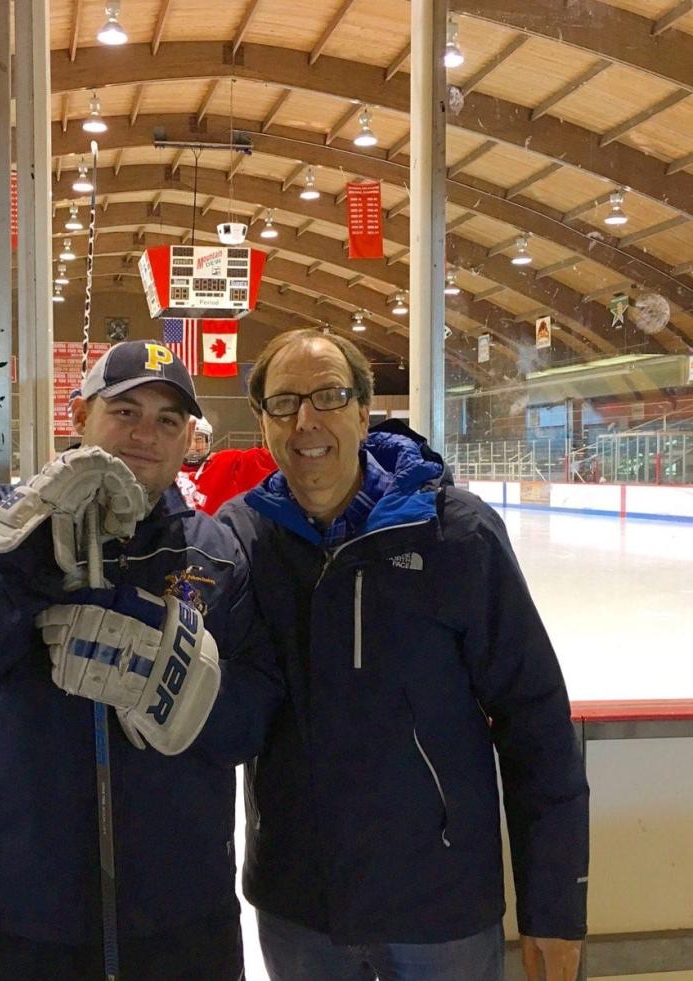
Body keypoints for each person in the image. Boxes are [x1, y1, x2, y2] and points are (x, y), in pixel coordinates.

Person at [0, 340, 281, 981]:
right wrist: (24, 562)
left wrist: (182, 693)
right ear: (78, 416)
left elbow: (255, 716)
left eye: (167, 420)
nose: (145, 435)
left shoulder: (214, 555)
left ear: (189, 438)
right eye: (125, 411)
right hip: (17, 909)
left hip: (180, 914)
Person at [218, 328, 589, 981]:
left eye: (329, 396)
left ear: (364, 411)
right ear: (262, 422)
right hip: (301, 909)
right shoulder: (241, 540)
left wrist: (553, 905)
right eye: (285, 402)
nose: (307, 419)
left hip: (440, 909)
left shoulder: (455, 534)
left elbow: (536, 723)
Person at [176, 416, 277, 515]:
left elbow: (271, 459)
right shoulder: (164, 469)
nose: (194, 445)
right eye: (188, 439)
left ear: (208, 441)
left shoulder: (228, 462)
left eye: (199, 439)